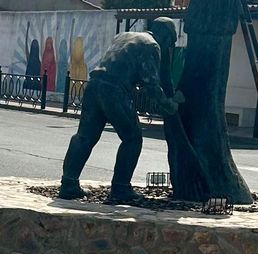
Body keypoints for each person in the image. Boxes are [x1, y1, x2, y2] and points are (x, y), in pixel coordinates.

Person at [59, 18, 183, 203]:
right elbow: (151, 84)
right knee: (132, 138)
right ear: (165, 35)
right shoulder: (151, 46)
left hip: (94, 85)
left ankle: (68, 183)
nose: (168, 47)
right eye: (170, 42)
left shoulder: (123, 36)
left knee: (84, 137)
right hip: (114, 90)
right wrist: (169, 105)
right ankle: (120, 188)